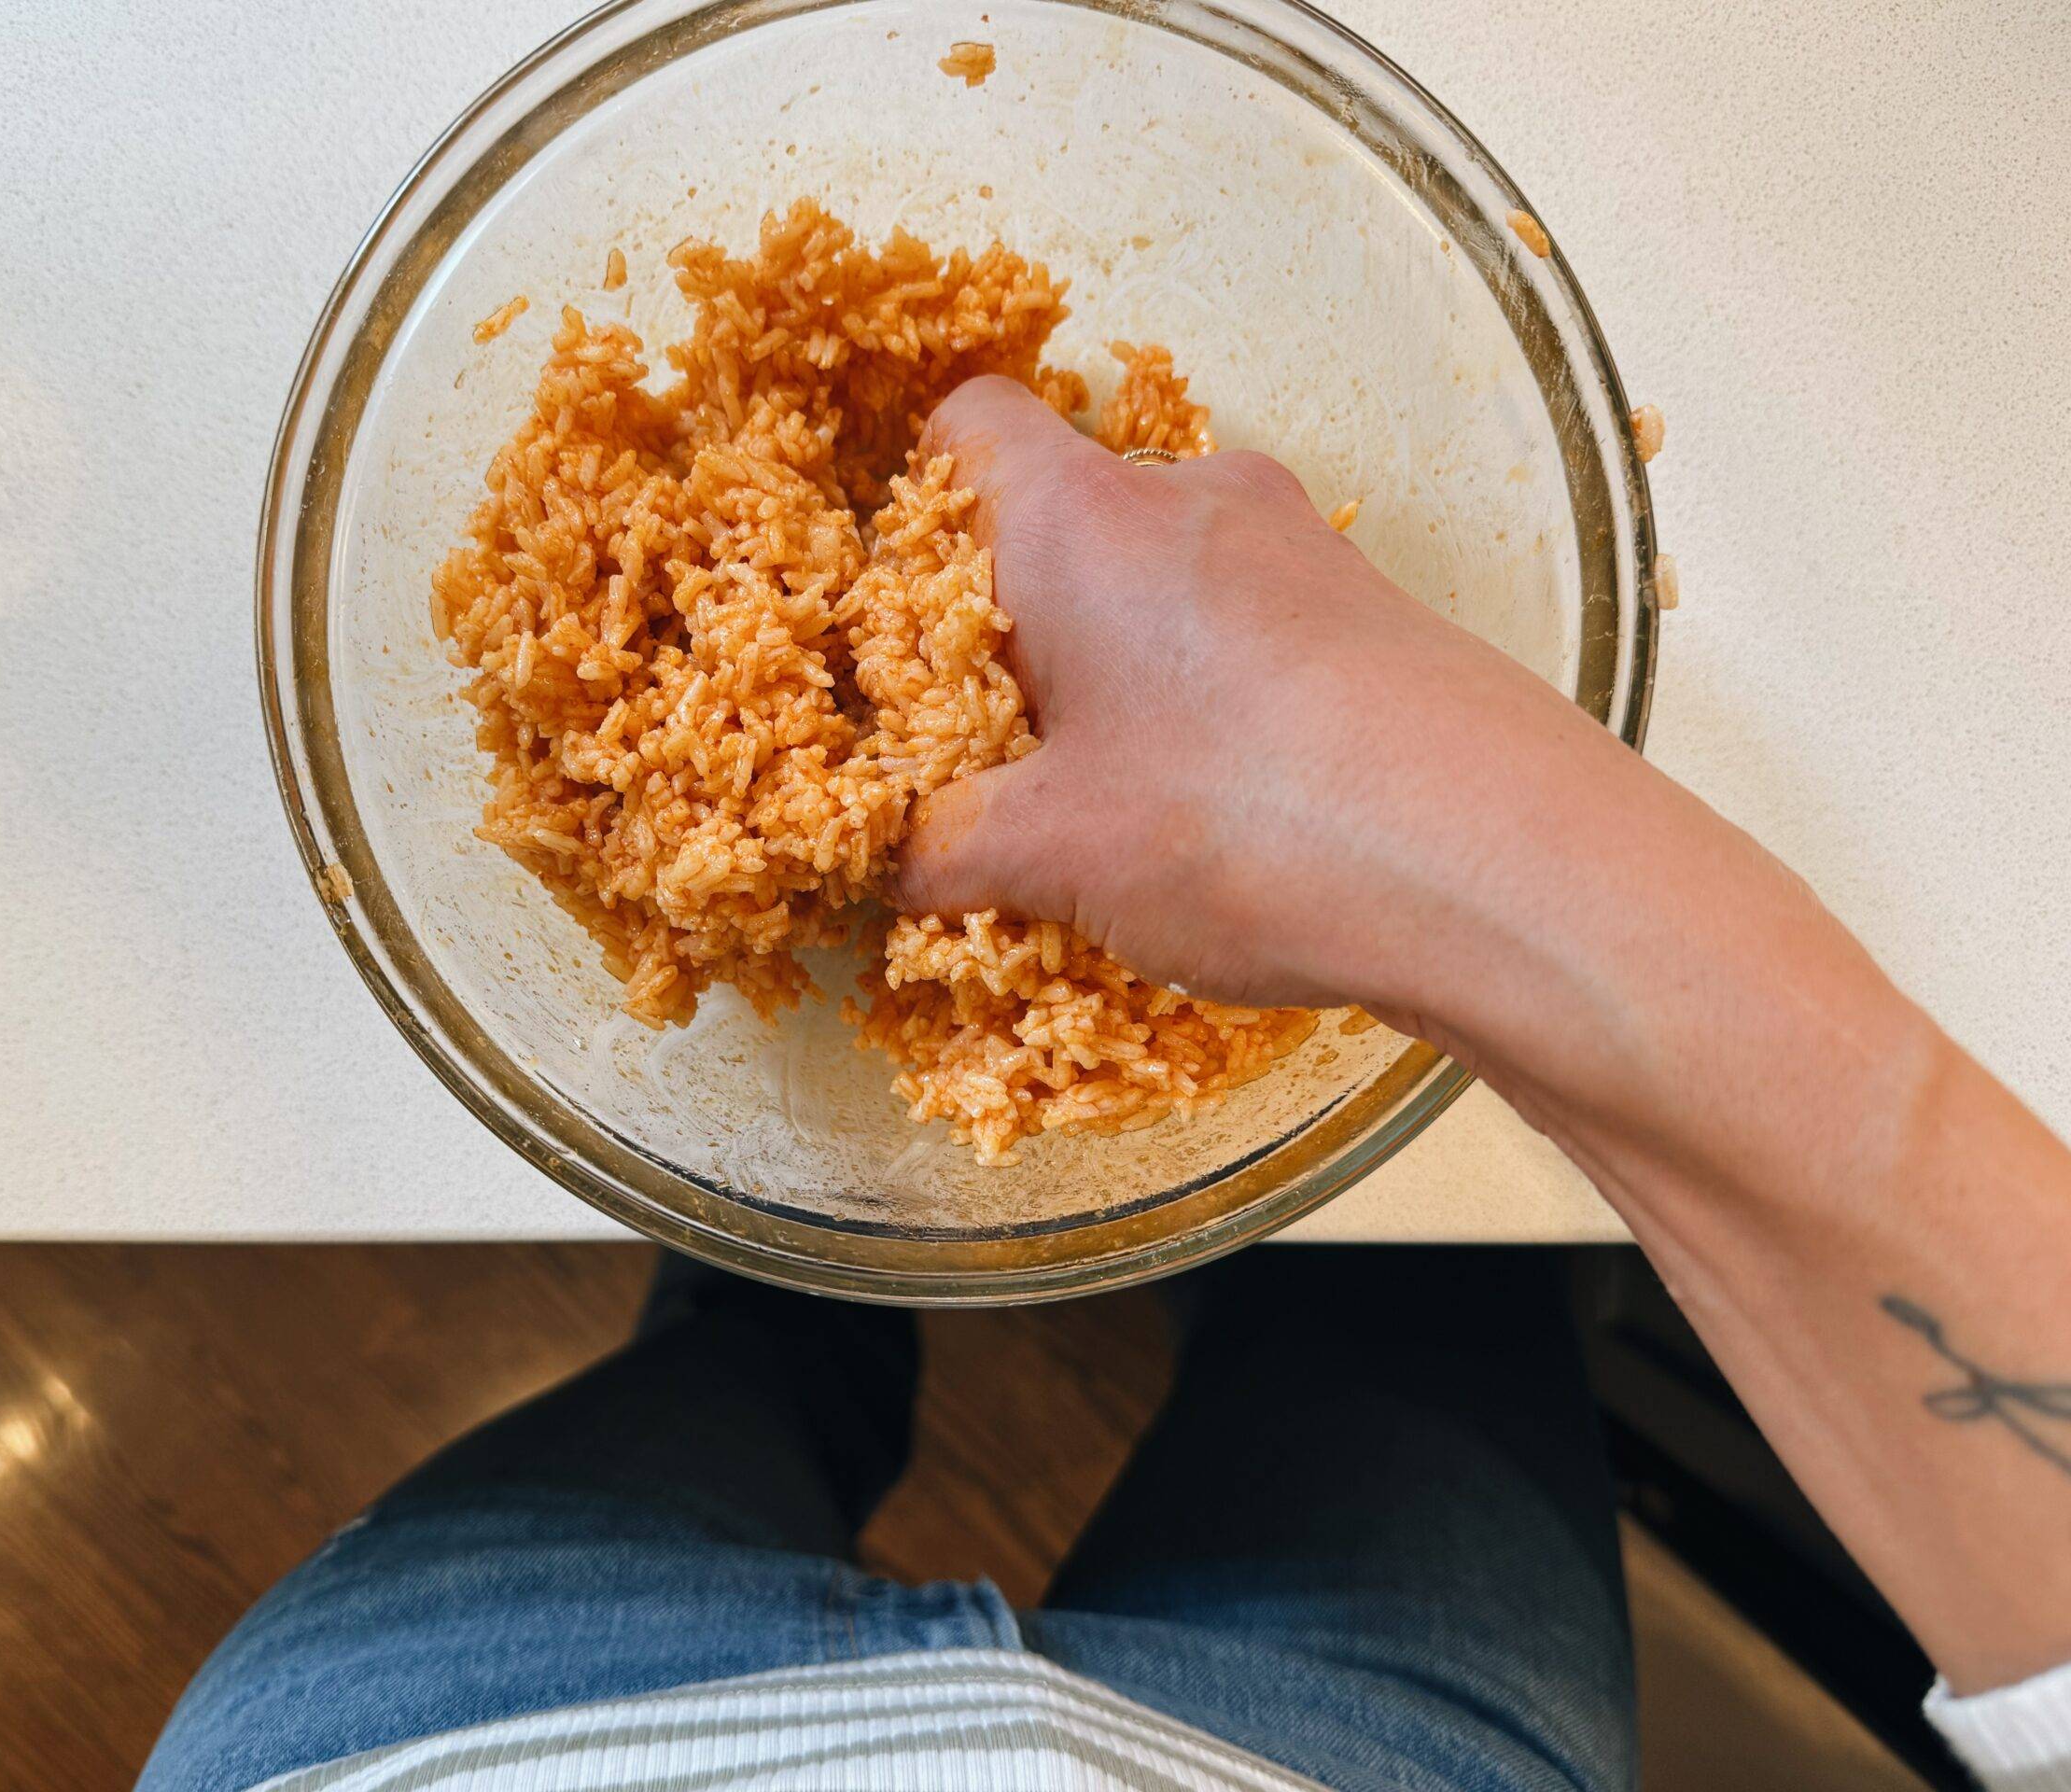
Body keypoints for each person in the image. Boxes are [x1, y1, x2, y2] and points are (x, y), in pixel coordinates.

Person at [140, 378, 2071, 1792]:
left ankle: (797, 1270)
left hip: (453, 1732)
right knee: (1413, 1293)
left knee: (750, 1339)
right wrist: (1454, 843)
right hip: (1343, 1760)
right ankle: (839, 1224)